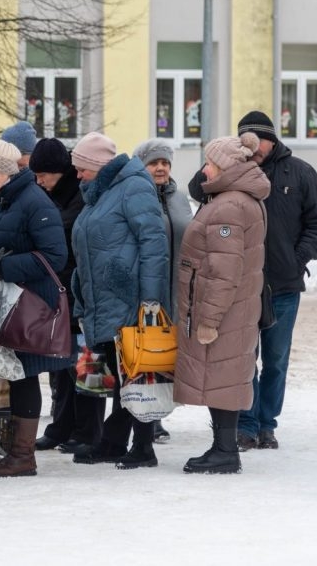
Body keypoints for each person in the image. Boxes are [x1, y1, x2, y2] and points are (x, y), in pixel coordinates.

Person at [189, 110, 317, 451]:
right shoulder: (233, 171)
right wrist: (228, 157)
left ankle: (267, 423)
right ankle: (247, 424)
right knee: (242, 357)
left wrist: (296, 260)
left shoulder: (299, 172)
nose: (253, 146)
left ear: (272, 139)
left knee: (276, 359)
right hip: (241, 286)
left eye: (259, 139)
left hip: (282, 286)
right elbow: (198, 187)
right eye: (245, 139)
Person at [69, 132, 169, 469]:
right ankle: (113, 442)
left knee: (136, 371)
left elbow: (154, 244)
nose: (78, 175)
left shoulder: (133, 187)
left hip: (130, 297)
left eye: (82, 168)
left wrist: (151, 299)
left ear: (98, 165)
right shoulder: (100, 193)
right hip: (106, 297)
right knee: (118, 371)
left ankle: (143, 447)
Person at [0, 140, 69, 478]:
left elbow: (55, 256)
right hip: (7, 298)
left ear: (7, 172)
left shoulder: (34, 201)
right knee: (16, 375)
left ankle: (22, 456)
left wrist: (2, 266)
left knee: (25, 374)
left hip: (29, 303)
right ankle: (17, 453)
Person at [176, 133, 270, 473]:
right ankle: (223, 447)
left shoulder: (229, 206)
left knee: (222, 376)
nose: (205, 170)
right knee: (223, 376)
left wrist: (208, 319)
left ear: (225, 167)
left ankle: (225, 451)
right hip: (236, 306)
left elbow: (223, 271)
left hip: (223, 309)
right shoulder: (236, 199)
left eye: (210, 163)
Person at [29, 138, 104, 455]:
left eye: (42, 175)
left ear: (58, 172)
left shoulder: (81, 196)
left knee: (87, 364)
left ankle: (88, 431)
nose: (38, 181)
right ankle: (62, 427)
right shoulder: (51, 195)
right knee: (61, 365)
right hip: (61, 293)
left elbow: (62, 236)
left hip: (83, 293)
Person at [132, 138, 194, 443]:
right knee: (145, 355)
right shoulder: (133, 196)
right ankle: (147, 419)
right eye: (154, 162)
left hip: (176, 290)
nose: (160, 168)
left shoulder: (179, 198)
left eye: (165, 163)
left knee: (167, 356)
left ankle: (158, 413)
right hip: (145, 289)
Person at [0, 121, 39, 408]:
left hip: (26, 291)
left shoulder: (34, 191)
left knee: (25, 368)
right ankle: (6, 417)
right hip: (3, 286)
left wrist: (4, 266)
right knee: (9, 364)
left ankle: (21, 437)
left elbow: (50, 251)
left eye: (20, 157)